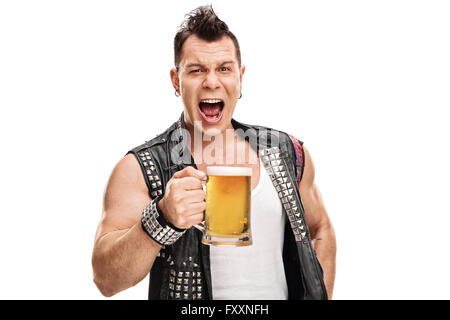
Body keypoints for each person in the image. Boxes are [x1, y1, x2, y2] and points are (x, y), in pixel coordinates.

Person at [92, 5, 336, 300]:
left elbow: (319, 228)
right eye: (196, 70)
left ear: (240, 76)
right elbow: (106, 279)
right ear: (176, 81)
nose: (211, 81)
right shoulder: (140, 167)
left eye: (224, 68)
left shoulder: (286, 151)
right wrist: (162, 217)